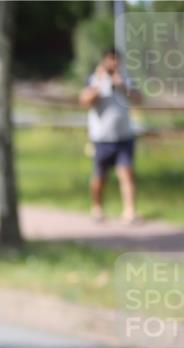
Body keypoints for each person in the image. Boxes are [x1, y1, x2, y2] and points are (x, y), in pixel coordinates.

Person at [79, 48, 143, 224]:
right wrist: (100, 85)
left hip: (124, 136)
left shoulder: (125, 79)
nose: (114, 64)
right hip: (101, 138)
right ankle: (97, 208)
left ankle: (130, 212)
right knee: (100, 176)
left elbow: (139, 99)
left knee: (127, 174)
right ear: (104, 61)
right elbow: (84, 100)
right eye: (110, 60)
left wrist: (122, 85)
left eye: (116, 60)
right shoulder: (94, 79)